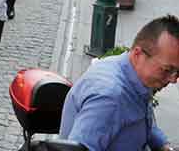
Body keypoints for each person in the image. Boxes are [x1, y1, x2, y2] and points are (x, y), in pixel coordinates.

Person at [60, 15, 179, 151]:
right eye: (167, 70)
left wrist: (164, 146)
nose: (173, 79)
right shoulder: (110, 98)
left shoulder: (136, 76)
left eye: (178, 72)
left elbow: (144, 122)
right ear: (138, 54)